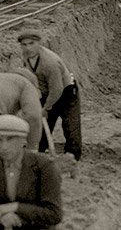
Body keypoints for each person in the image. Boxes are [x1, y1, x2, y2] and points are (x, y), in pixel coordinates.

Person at [18, 30, 81, 161]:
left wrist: (46, 108)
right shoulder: (26, 55)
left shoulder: (50, 63)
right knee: (42, 125)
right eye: (24, 44)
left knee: (70, 126)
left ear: (39, 44)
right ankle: (39, 154)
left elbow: (57, 89)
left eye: (31, 43)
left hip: (66, 92)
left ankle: (73, 158)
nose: (28, 48)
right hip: (47, 92)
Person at [0, 114, 62, 229]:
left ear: (23, 140)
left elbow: (54, 214)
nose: (3, 146)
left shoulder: (44, 166)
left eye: (10, 139)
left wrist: (15, 208)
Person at [0, 71, 43, 151]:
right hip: (7, 99)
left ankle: (31, 152)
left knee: (33, 117)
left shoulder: (24, 84)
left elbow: (33, 117)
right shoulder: (24, 83)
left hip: (20, 89)